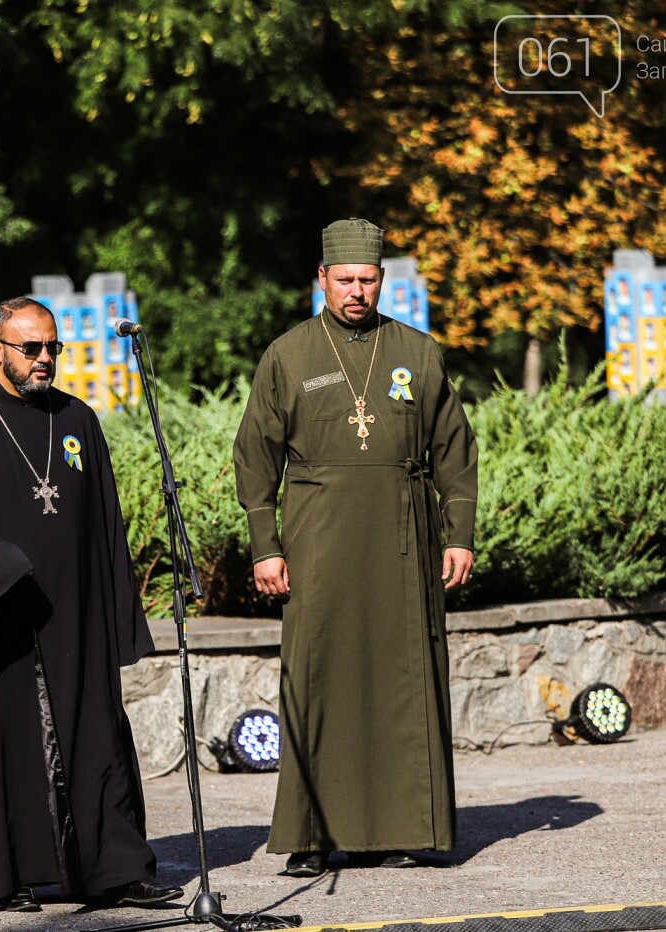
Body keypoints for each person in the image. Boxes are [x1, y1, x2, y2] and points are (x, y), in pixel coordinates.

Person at [0, 297, 182, 913]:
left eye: (52, 347)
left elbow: (107, 525)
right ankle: (9, 877)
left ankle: (113, 870)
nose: (44, 360)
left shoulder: (78, 420)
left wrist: (118, 619)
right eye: (31, 348)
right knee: (7, 741)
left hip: (73, 614)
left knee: (95, 737)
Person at [232, 219, 477, 878]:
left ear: (381, 280)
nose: (356, 291)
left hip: (404, 540)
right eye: (345, 279)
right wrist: (265, 545)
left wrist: (459, 534)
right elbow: (256, 456)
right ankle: (310, 836)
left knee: (401, 680)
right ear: (322, 279)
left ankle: (398, 829)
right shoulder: (289, 354)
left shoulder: (419, 353)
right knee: (319, 676)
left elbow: (455, 449)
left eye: (367, 279)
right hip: (319, 540)